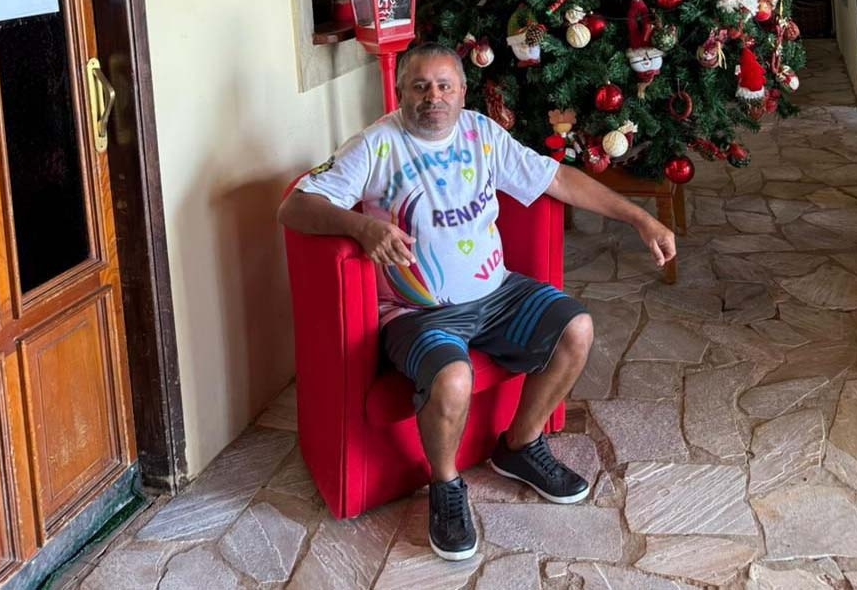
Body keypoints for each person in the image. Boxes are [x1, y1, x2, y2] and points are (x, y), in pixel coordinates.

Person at [278, 43, 676, 561]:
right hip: (417, 312)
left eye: (445, 85)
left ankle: (520, 446)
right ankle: (446, 486)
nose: (433, 97)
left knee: (576, 328)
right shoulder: (376, 146)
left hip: (497, 292)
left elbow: (557, 179)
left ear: (463, 92)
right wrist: (360, 227)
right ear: (400, 92)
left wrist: (639, 218)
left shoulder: (482, 133)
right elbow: (295, 207)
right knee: (452, 378)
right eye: (420, 86)